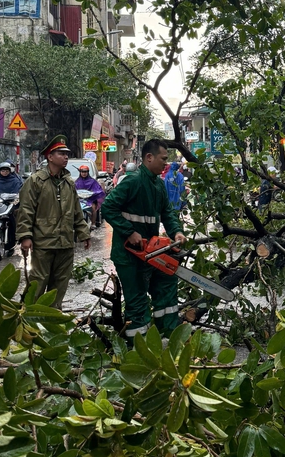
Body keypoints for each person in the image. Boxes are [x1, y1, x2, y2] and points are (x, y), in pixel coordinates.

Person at [101, 139, 186, 340]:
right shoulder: (133, 181)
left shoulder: (158, 185)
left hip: (151, 251)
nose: (165, 163)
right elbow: (108, 207)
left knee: (166, 282)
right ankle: (137, 347)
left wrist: (176, 232)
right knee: (137, 300)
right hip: (128, 253)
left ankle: (170, 336)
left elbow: (167, 212)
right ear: (149, 157)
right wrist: (129, 231)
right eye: (163, 159)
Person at [16, 135, 91, 309]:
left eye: (67, 154)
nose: (65, 157)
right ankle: (28, 317)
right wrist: (25, 236)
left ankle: (52, 318)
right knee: (38, 282)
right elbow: (26, 210)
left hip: (65, 242)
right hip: (44, 242)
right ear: (50, 156)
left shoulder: (68, 182)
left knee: (61, 282)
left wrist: (83, 233)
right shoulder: (35, 181)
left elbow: (76, 211)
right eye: (61, 153)